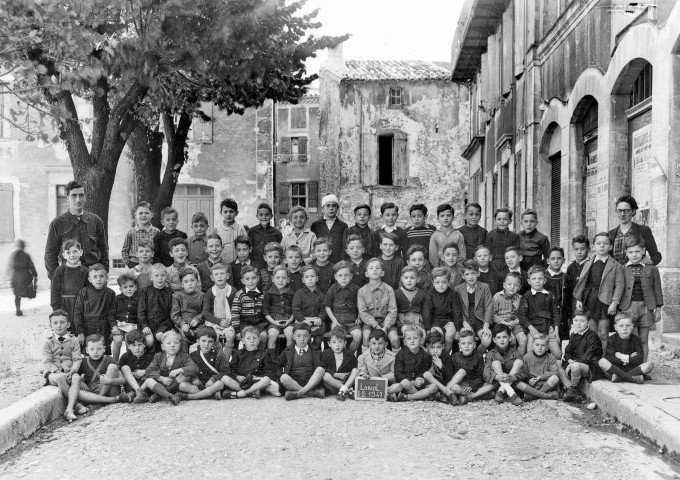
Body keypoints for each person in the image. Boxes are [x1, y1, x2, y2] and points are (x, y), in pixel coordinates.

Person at [45, 180, 109, 279]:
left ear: (85, 198)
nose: (78, 200)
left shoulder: (96, 221)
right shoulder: (57, 223)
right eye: (74, 196)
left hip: (94, 277)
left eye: (81, 195)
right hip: (69, 277)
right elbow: (50, 254)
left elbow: (104, 250)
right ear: (67, 198)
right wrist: (56, 279)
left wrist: (104, 272)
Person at [574, 232, 624, 351]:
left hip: (605, 301)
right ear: (593, 246)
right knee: (591, 332)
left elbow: (619, 285)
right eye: (599, 243)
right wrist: (579, 299)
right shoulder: (588, 262)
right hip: (589, 298)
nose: (602, 246)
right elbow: (582, 282)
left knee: (603, 333)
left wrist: (614, 302)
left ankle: (604, 360)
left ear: (610, 247)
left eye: (605, 243)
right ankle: (592, 359)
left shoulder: (615, 265)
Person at [619, 236, 663, 366]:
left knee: (643, 339)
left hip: (646, 307)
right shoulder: (622, 269)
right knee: (633, 338)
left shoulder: (652, 268)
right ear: (626, 252)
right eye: (631, 252)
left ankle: (643, 365)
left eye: (637, 251)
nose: (634, 255)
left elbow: (657, 289)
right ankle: (632, 366)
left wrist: (658, 309)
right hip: (628, 308)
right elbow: (619, 288)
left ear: (643, 251)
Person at [42, 310, 87, 422]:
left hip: (69, 372)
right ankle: (76, 405)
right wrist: (57, 371)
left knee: (76, 377)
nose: (59, 325)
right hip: (53, 374)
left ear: (68, 324)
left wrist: (73, 370)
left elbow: (77, 359)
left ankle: (69, 409)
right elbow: (47, 362)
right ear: (50, 326)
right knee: (60, 377)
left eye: (62, 322)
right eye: (55, 323)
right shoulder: (48, 342)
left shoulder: (74, 340)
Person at [138, 330, 199, 405]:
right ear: (163, 346)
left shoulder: (184, 356)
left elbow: (195, 368)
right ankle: (169, 396)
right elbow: (149, 371)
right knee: (149, 380)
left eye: (176, 343)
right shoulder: (159, 356)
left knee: (184, 375)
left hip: (176, 385)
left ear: (180, 345)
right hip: (161, 385)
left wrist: (179, 370)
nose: (173, 345)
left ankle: (159, 395)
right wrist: (161, 378)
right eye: (168, 343)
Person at [517, 266, 562, 360]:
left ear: (545, 280)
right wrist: (531, 329)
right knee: (530, 353)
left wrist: (556, 331)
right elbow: (522, 315)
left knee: (558, 354)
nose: (537, 281)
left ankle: (548, 368)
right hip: (534, 329)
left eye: (540, 278)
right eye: (534, 278)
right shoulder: (527, 296)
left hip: (548, 328)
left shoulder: (549, 295)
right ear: (529, 281)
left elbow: (555, 313)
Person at [598, 313, 654, 384]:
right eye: (621, 326)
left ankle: (619, 377)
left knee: (650, 365)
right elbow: (610, 358)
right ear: (615, 327)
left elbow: (639, 359)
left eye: (628, 325)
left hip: (632, 368)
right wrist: (629, 357)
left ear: (632, 326)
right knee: (602, 361)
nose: (624, 328)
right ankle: (631, 378)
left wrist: (620, 356)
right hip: (615, 369)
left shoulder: (636, 339)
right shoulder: (611, 339)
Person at [77, 334, 132, 406]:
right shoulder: (83, 361)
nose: (95, 352)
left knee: (112, 367)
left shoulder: (109, 359)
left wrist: (110, 381)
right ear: (87, 350)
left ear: (104, 349)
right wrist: (80, 382)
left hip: (110, 391)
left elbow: (123, 380)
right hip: (92, 390)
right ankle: (102, 400)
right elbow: (75, 376)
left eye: (99, 348)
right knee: (77, 392)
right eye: (92, 349)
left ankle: (98, 400)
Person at [358, 258, 399, 352]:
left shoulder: (389, 290)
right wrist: (376, 326)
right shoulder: (362, 291)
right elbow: (363, 312)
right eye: (371, 268)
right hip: (370, 323)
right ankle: (366, 363)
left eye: (377, 268)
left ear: (382, 273)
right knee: (366, 336)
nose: (375, 270)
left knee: (395, 339)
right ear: (366, 274)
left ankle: (395, 364)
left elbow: (393, 311)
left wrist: (385, 327)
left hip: (386, 322)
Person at [73, 264, 117, 353]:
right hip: (87, 327)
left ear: (106, 278)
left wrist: (113, 328)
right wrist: (80, 332)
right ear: (90, 279)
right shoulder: (83, 292)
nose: (98, 279)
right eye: (95, 277)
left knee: (103, 352)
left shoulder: (110, 293)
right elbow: (78, 313)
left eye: (101, 276)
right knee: (89, 352)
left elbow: (112, 314)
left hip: (104, 328)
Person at [183, 326, 235, 401]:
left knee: (220, 384)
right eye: (203, 341)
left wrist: (213, 379)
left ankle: (194, 396)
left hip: (214, 383)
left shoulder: (219, 355)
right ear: (198, 341)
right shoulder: (192, 355)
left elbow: (226, 372)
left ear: (214, 342)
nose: (206, 344)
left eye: (210, 341)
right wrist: (195, 378)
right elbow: (190, 369)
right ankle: (211, 393)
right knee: (182, 385)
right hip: (200, 384)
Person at [277, 323, 326, 400]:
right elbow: (278, 365)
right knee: (283, 377)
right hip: (294, 382)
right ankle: (310, 393)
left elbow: (322, 367)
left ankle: (298, 393)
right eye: (298, 336)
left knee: (321, 370)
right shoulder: (287, 351)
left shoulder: (315, 351)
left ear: (310, 336)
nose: (302, 339)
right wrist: (280, 376)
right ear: (293, 337)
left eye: (305, 336)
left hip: (310, 381)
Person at [609, 195, 662, 266]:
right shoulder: (611, 234)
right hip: (617, 275)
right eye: (619, 211)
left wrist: (650, 261)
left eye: (626, 211)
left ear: (633, 211)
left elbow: (656, 255)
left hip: (637, 274)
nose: (622, 214)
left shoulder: (643, 231)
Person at [229, 326, 280, 398]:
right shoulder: (238, 354)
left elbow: (269, 372)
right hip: (242, 381)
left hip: (257, 380)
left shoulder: (264, 354)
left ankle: (243, 393)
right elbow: (231, 369)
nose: (252, 341)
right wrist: (237, 376)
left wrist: (258, 377)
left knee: (266, 380)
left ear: (259, 340)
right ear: (243, 341)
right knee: (225, 379)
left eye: (255, 338)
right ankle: (254, 391)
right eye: (248, 338)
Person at [390, 326, 438, 402]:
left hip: (420, 385)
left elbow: (426, 372)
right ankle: (422, 396)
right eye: (409, 339)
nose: (412, 341)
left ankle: (407, 397)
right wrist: (412, 382)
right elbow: (398, 374)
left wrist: (422, 380)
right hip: (408, 385)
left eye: (415, 338)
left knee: (434, 386)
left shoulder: (426, 355)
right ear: (405, 341)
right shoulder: (401, 354)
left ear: (421, 340)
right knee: (404, 382)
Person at [562, 309, 600, 402]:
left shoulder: (592, 336)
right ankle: (570, 389)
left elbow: (588, 357)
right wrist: (569, 360)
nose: (578, 323)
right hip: (576, 362)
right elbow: (568, 351)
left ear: (588, 323)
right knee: (557, 363)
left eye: (582, 321)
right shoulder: (574, 335)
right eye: (576, 320)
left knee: (575, 366)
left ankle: (573, 389)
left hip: (590, 366)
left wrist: (572, 364)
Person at [454, 260, 493, 351]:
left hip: (480, 322)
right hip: (465, 322)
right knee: (466, 339)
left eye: (473, 273)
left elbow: (489, 307)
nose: (471, 277)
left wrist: (486, 326)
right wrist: (465, 324)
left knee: (486, 340)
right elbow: (458, 310)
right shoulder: (458, 289)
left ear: (478, 273)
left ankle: (477, 356)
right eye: (467, 274)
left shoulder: (484, 287)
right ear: (463, 276)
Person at [325, 261, 362, 354]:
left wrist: (359, 318)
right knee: (337, 339)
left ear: (351, 276)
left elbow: (361, 305)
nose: (343, 278)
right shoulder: (332, 289)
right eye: (340, 275)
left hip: (352, 321)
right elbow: (327, 306)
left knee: (358, 335)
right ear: (335, 277)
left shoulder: (356, 289)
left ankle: (348, 355)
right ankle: (338, 358)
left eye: (346, 275)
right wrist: (334, 321)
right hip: (338, 321)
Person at [449, 329, 496, 404]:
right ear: (459, 345)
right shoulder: (455, 357)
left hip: (475, 385)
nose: (466, 346)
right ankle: (478, 395)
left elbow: (480, 376)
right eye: (463, 343)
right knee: (455, 388)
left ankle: (469, 396)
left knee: (494, 384)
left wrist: (472, 386)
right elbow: (452, 377)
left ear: (474, 345)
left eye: (469, 343)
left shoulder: (478, 356)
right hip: (461, 385)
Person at [50, 239, 89, 329]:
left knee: (80, 332)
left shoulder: (85, 271)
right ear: (64, 255)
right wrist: (57, 311)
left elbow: (88, 292)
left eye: (75, 251)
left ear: (81, 252)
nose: (72, 255)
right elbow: (54, 292)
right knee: (66, 332)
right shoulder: (60, 270)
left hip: (80, 307)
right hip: (64, 306)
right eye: (68, 252)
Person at [201, 263, 237, 359]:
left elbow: (236, 309)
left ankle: (225, 361)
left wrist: (229, 322)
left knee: (230, 335)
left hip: (228, 321)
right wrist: (219, 321)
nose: (219, 276)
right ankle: (220, 359)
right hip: (214, 322)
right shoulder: (209, 292)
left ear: (228, 276)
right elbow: (205, 312)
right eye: (216, 274)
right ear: (212, 278)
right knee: (214, 336)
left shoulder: (233, 291)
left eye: (222, 273)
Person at [483, 323, 523, 406]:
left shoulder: (516, 353)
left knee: (519, 362)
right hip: (497, 384)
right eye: (498, 337)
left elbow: (524, 371)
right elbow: (486, 373)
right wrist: (496, 376)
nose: (501, 340)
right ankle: (512, 394)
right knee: (495, 363)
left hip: (513, 384)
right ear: (494, 340)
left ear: (509, 338)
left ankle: (501, 391)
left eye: (504, 337)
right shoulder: (490, 354)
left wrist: (514, 377)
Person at [138, 263, 174, 350]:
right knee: (149, 341)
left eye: (162, 275)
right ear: (151, 277)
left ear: (166, 276)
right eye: (156, 275)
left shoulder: (169, 292)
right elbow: (141, 311)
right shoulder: (145, 292)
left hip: (164, 324)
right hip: (149, 324)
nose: (160, 278)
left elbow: (172, 312)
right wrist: (144, 325)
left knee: (162, 337)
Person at [428, 267, 462, 356]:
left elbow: (457, 312)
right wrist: (428, 328)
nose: (440, 285)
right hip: (435, 321)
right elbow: (427, 313)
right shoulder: (430, 295)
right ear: (433, 282)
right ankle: (436, 355)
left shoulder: (453, 294)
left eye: (444, 282)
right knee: (436, 336)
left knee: (449, 335)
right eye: (437, 282)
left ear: (449, 282)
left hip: (448, 321)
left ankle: (444, 356)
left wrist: (458, 329)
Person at [515, 334, 560, 401]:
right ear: (532, 346)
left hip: (545, 385)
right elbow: (524, 373)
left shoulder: (551, 357)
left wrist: (540, 377)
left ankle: (532, 397)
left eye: (543, 345)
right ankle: (547, 395)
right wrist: (528, 380)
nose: (539, 348)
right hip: (531, 386)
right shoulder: (527, 357)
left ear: (547, 347)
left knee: (555, 378)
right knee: (518, 384)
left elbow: (554, 372)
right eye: (537, 345)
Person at [292, 264, 328, 348]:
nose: (310, 279)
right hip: (303, 321)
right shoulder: (299, 294)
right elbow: (296, 310)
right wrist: (303, 320)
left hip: (316, 321)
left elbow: (323, 310)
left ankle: (315, 353)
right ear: (303, 280)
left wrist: (320, 318)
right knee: (303, 337)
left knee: (318, 338)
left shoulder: (321, 295)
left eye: (312, 276)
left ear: (317, 278)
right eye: (307, 277)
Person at [356, 329, 401, 395]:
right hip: (370, 385)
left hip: (387, 384)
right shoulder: (362, 357)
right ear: (369, 344)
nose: (377, 346)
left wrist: (382, 378)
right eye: (374, 343)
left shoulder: (392, 357)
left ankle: (385, 392)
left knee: (398, 386)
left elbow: (393, 374)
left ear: (385, 344)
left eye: (380, 343)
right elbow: (362, 370)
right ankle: (385, 394)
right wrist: (364, 375)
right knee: (360, 384)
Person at [232, 265, 267, 347]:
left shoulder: (262, 294)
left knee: (263, 336)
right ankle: (248, 355)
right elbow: (235, 313)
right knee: (249, 337)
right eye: (247, 279)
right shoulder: (240, 295)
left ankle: (261, 355)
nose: (251, 281)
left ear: (258, 278)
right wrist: (237, 330)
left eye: (253, 278)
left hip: (259, 323)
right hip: (245, 323)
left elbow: (265, 311)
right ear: (242, 281)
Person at [170, 268, 204, 353]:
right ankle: (185, 361)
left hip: (198, 325)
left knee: (203, 336)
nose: (190, 284)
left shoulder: (202, 295)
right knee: (182, 338)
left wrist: (197, 319)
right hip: (182, 325)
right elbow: (174, 315)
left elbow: (205, 311)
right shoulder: (177, 296)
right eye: (186, 281)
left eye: (192, 280)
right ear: (181, 283)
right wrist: (182, 324)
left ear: (197, 281)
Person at [321, 326, 359, 400]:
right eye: (334, 342)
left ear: (345, 343)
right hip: (332, 383)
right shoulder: (325, 354)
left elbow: (352, 369)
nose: (337, 345)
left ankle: (343, 390)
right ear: (329, 344)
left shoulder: (349, 355)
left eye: (340, 342)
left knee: (356, 370)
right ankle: (346, 389)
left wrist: (346, 376)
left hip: (345, 382)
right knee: (325, 376)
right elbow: (323, 368)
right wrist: (336, 374)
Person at [492, 272, 526, 355]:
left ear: (519, 287)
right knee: (512, 339)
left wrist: (515, 322)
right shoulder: (497, 296)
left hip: (515, 323)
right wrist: (504, 323)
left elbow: (522, 315)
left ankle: (518, 360)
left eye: (515, 285)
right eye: (509, 284)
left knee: (523, 339)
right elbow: (492, 314)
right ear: (504, 285)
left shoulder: (521, 298)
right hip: (501, 324)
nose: (512, 287)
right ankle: (509, 360)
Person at [263, 265, 295, 353]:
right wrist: (273, 322)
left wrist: (289, 321)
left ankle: (288, 360)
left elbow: (294, 310)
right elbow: (265, 312)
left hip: (288, 321)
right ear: (273, 279)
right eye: (278, 277)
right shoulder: (269, 293)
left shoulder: (292, 293)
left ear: (288, 280)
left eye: (284, 278)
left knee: (290, 334)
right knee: (272, 334)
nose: (281, 280)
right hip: (273, 321)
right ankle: (271, 362)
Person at [118, 330, 155, 403]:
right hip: (131, 385)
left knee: (151, 377)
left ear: (144, 344)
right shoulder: (125, 357)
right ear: (128, 346)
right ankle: (139, 393)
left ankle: (136, 394)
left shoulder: (150, 356)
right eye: (134, 345)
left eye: (140, 345)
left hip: (145, 385)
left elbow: (156, 370)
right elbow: (121, 373)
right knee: (124, 368)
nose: (137, 348)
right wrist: (134, 374)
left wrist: (145, 371)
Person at [564, 234, 591, 333]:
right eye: (576, 249)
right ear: (573, 250)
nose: (579, 252)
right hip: (574, 303)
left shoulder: (591, 265)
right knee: (576, 328)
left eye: (582, 249)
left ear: (588, 249)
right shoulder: (571, 267)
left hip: (587, 302)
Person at [422, 330, 457, 404]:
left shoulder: (446, 357)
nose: (435, 351)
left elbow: (450, 376)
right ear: (427, 346)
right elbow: (422, 375)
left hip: (444, 384)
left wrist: (441, 366)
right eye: (432, 347)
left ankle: (441, 394)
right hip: (431, 385)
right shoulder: (425, 357)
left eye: (438, 347)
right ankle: (448, 393)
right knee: (427, 374)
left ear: (443, 346)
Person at [311, 194, 348, 264]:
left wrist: (343, 261)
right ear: (322, 209)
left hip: (337, 262)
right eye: (328, 206)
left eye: (333, 205)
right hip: (320, 261)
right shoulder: (315, 225)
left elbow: (344, 246)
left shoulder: (343, 226)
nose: (331, 208)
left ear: (337, 208)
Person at [121, 201, 159, 268]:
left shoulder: (156, 231)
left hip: (151, 264)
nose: (143, 215)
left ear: (151, 214)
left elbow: (158, 250)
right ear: (135, 215)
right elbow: (125, 250)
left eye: (146, 213)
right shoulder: (131, 232)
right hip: (134, 263)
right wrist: (129, 263)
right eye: (140, 213)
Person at [395, 266, 431, 337]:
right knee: (407, 333)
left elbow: (426, 313)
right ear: (402, 279)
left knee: (421, 334)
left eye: (412, 278)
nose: (409, 280)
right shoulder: (397, 293)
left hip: (417, 323)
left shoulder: (422, 295)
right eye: (406, 278)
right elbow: (394, 311)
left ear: (418, 279)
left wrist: (427, 328)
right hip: (402, 324)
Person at [112, 273, 139, 363]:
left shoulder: (139, 299)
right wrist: (114, 326)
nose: (129, 289)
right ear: (120, 289)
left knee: (130, 341)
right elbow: (111, 315)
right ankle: (115, 362)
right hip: (120, 325)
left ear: (135, 287)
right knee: (118, 340)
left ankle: (129, 363)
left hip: (133, 326)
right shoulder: (117, 299)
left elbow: (141, 314)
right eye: (125, 287)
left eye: (131, 286)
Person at [429, 203, 466, 267]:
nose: (445, 218)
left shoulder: (458, 235)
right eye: (442, 216)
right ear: (438, 218)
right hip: (440, 272)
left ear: (453, 218)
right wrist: (438, 269)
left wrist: (458, 270)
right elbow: (433, 257)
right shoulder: (435, 236)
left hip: (456, 271)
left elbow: (462, 256)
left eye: (448, 215)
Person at [544, 246, 569, 339]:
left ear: (564, 260)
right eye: (553, 258)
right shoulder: (543, 277)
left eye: (559, 258)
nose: (556, 261)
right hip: (547, 316)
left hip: (563, 316)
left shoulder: (566, 277)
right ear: (547, 261)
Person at [8, 239, 37, 317]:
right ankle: (29, 296)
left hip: (16, 276)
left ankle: (18, 309)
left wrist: (10, 277)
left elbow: (11, 266)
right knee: (26, 290)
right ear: (23, 247)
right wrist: (35, 274)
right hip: (25, 276)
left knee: (17, 294)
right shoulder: (26, 255)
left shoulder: (14, 255)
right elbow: (31, 266)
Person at [214, 198, 247, 264]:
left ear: (236, 213)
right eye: (225, 212)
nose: (228, 214)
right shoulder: (217, 229)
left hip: (237, 263)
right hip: (221, 264)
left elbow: (246, 246)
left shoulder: (240, 229)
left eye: (231, 211)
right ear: (221, 213)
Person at [486, 208, 520, 273]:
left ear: (510, 221)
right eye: (499, 219)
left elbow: (516, 253)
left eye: (505, 219)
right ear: (495, 220)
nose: (502, 221)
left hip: (509, 265)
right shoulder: (490, 235)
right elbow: (488, 252)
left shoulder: (514, 236)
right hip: (493, 266)